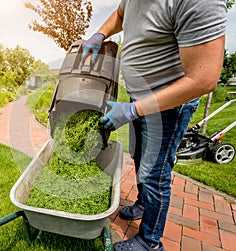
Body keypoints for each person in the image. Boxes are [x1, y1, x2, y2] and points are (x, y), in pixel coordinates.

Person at [82, 1, 227, 250]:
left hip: (168, 107)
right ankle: (143, 203)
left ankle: (149, 241)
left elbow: (203, 79)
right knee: (138, 155)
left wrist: (132, 110)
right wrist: (100, 33)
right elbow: (120, 14)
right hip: (139, 98)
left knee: (155, 174)